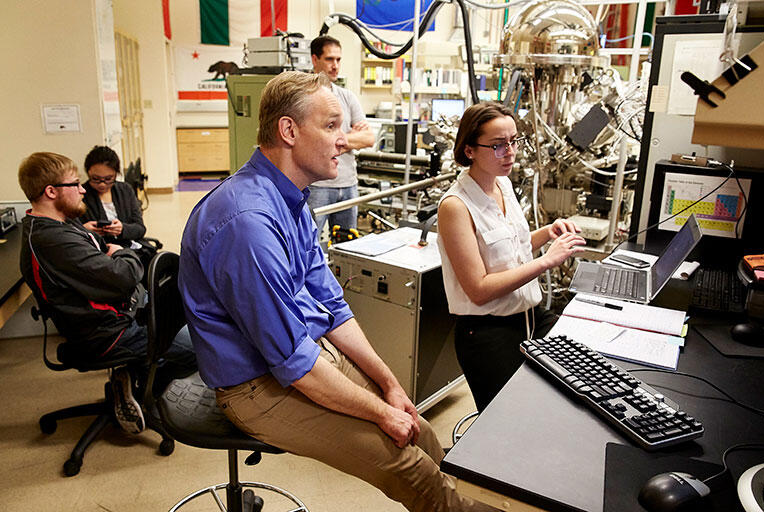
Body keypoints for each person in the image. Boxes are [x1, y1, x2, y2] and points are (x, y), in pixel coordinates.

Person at [178, 71, 495, 512]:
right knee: (411, 469)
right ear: (289, 130)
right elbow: (295, 366)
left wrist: (390, 385)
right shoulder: (247, 223)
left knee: (418, 426)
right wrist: (381, 414)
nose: (344, 140)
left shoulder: (291, 198)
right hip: (258, 388)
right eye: (330, 126)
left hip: (307, 357)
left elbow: (332, 305)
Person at [18, 152, 196, 434]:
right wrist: (125, 253)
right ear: (51, 191)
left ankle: (134, 378)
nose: (82, 190)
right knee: (202, 349)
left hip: (124, 309)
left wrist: (112, 253)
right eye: (75, 184)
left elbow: (103, 260)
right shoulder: (52, 239)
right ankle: (144, 397)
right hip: (109, 331)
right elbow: (123, 277)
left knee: (189, 311)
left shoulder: (61, 223)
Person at [437, 102, 586, 413]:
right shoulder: (455, 206)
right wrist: (546, 261)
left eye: (514, 141)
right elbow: (478, 288)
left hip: (529, 317)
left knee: (576, 383)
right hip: (488, 334)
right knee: (507, 423)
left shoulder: (502, 185)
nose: (510, 152)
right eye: (497, 145)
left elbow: (511, 252)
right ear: (469, 150)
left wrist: (547, 233)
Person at [306, 35, 374, 239]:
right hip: (317, 186)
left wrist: (336, 140)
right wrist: (351, 139)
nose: (335, 66)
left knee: (347, 249)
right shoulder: (304, 97)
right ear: (314, 59)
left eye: (338, 60)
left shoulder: (347, 96)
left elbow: (369, 138)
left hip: (348, 184)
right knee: (309, 246)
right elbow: (311, 142)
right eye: (329, 59)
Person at [79, 145, 157, 270]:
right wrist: (85, 230)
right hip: (99, 255)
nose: (102, 184)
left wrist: (123, 229)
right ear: (88, 173)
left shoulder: (125, 190)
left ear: (116, 174)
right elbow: (71, 233)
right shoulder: (80, 195)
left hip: (128, 249)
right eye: (96, 179)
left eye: (108, 179)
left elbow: (140, 229)